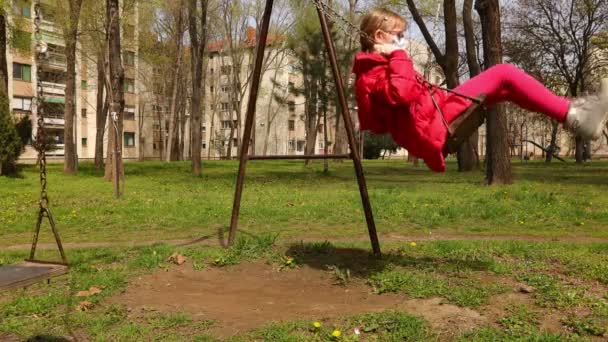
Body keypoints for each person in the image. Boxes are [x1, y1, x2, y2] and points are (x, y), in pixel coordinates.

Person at [352, 8, 608, 172]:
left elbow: (385, 111)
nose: (403, 41)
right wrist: (398, 56)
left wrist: (396, 60)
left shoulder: (377, 69)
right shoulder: (374, 73)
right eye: (398, 36)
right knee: (503, 73)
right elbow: (400, 95)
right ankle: (574, 115)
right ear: (379, 36)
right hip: (434, 123)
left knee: (507, 88)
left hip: (435, 113)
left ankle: (574, 114)